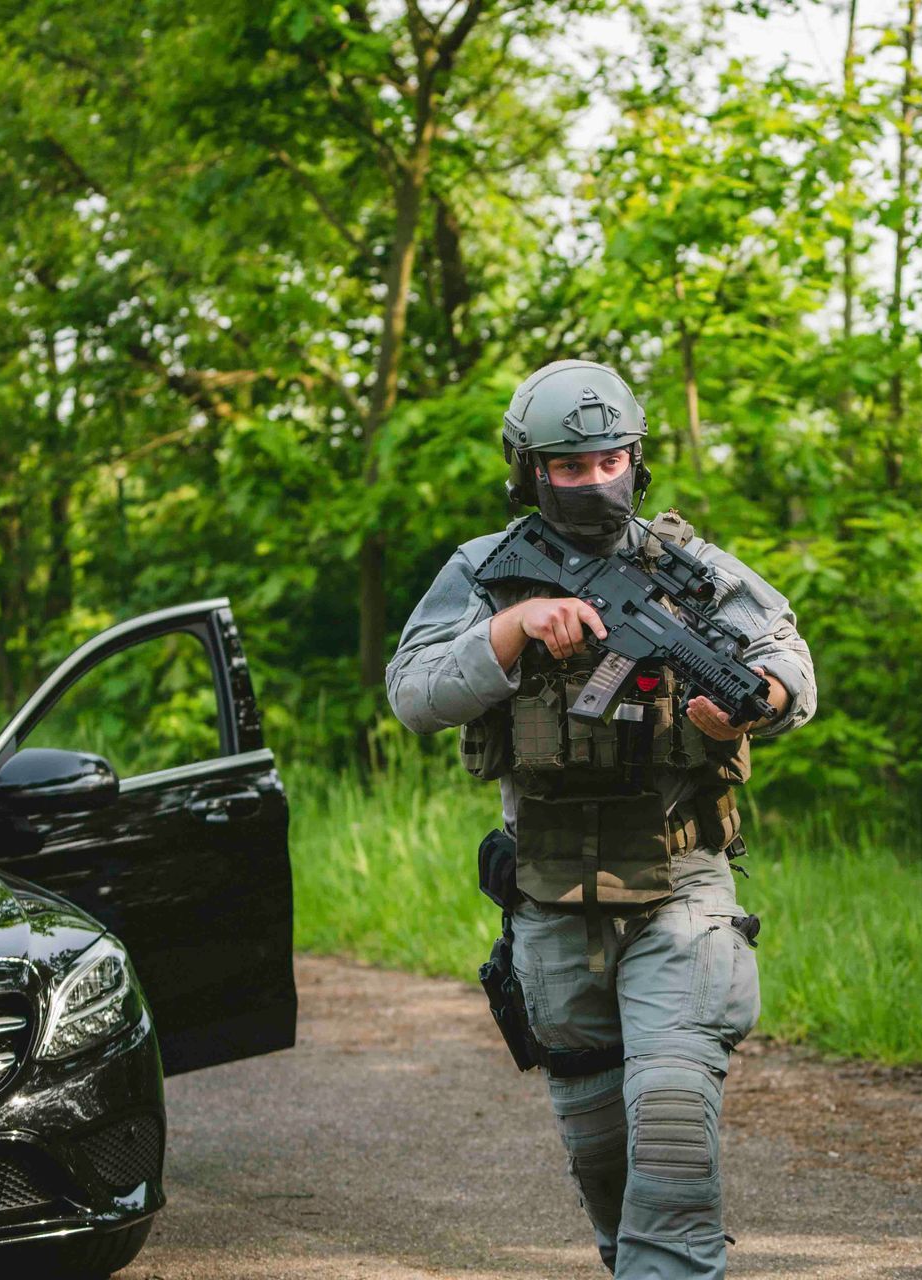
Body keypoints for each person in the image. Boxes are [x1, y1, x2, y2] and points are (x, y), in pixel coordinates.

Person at [385, 359, 816, 1278]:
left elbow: (788, 662)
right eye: (569, 467)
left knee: (672, 1131)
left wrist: (755, 703)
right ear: (529, 471)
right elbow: (413, 693)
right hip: (552, 894)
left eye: (610, 462)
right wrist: (512, 631)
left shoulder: (689, 568)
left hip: (681, 885)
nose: (594, 482)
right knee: (603, 1162)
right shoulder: (487, 571)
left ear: (637, 460)